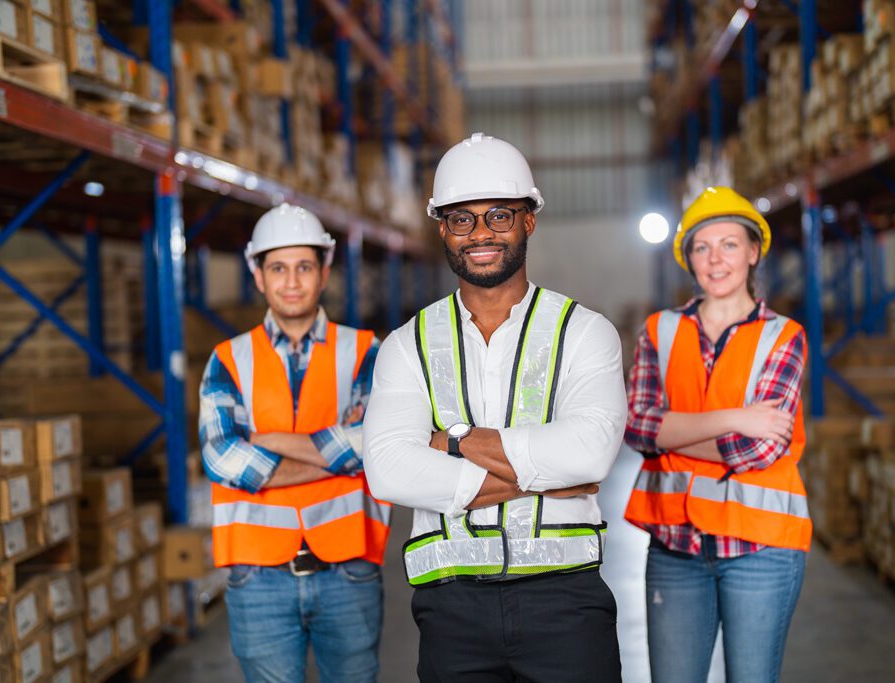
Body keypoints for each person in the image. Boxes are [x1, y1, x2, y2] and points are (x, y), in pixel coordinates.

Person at [364, 132, 626, 682]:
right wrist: (547, 478)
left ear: (529, 220)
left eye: (499, 216)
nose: (480, 234)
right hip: (450, 607)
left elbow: (591, 453)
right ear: (443, 228)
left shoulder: (583, 333)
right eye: (463, 219)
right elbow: (388, 470)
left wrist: (452, 443)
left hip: (566, 603)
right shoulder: (406, 344)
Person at [623, 186, 810, 683]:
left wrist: (674, 433)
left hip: (761, 549)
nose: (716, 259)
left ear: (753, 252)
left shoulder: (783, 335)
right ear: (689, 259)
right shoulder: (658, 331)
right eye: (702, 247)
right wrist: (735, 418)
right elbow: (637, 427)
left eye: (730, 244)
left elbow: (762, 446)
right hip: (675, 547)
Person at [199, 203, 391, 683]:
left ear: (324, 273)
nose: (291, 281)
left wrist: (270, 441)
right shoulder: (227, 360)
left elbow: (380, 441)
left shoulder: (366, 351)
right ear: (258, 276)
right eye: (278, 268)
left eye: (304, 267)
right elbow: (223, 457)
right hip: (257, 576)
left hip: (350, 568)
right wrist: (340, 459)